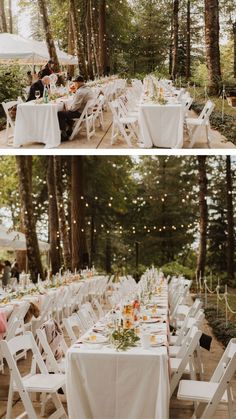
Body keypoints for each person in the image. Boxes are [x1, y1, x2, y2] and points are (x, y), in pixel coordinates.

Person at [57, 75, 94, 141]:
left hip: (83, 113)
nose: (74, 84)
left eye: (75, 82)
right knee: (67, 112)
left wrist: (68, 108)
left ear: (78, 83)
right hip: (89, 112)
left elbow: (74, 108)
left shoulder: (80, 92)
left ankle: (63, 135)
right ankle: (70, 130)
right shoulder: (88, 89)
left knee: (60, 114)